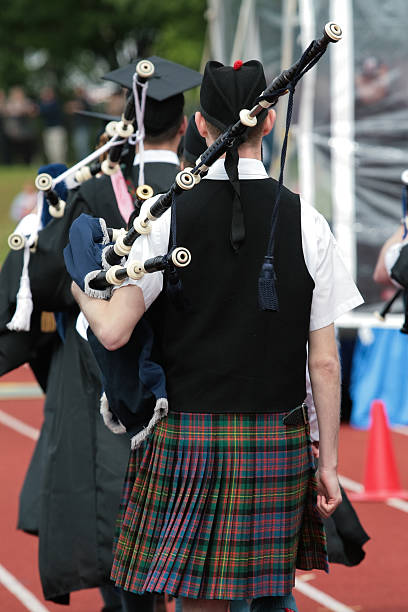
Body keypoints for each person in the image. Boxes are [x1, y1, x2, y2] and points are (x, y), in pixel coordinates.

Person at [71, 60, 363, 612]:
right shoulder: (308, 221)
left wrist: (79, 279)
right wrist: (328, 465)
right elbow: (323, 362)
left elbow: (111, 331)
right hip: (277, 441)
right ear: (269, 122)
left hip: (187, 440)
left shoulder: (164, 217)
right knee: (267, 598)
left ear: (200, 126)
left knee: (198, 604)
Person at [11, 58, 201, 611]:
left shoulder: (95, 197)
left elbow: (46, 281)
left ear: (130, 126)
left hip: (112, 392)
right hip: (194, 384)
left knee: (123, 532)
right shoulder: (207, 191)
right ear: (185, 125)